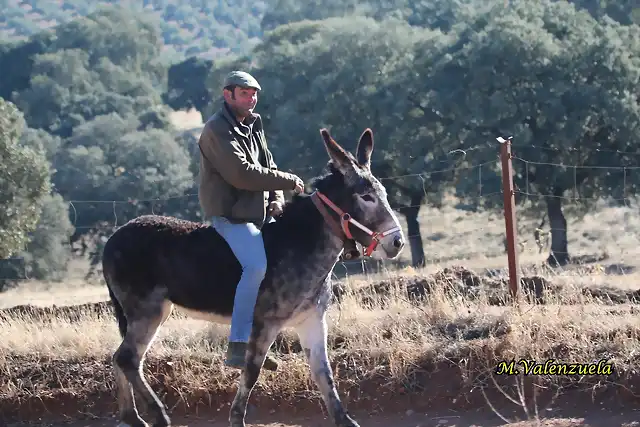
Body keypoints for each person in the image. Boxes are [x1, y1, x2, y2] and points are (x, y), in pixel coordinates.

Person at [197, 70, 304, 369]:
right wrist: (288, 181)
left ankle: (262, 343)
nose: (252, 98)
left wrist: (277, 200)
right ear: (227, 94)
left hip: (261, 216)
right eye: (244, 93)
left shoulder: (254, 123)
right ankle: (238, 347)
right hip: (231, 217)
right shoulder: (215, 130)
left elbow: (267, 163)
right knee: (256, 266)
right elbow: (242, 174)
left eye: (254, 93)